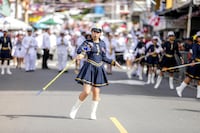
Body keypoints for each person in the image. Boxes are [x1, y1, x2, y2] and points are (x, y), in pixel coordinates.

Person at [69, 24, 121, 120]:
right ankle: (74, 109)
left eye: (98, 32)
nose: (95, 34)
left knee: (96, 92)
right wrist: (82, 53)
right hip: (89, 67)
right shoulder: (87, 42)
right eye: (94, 31)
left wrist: (113, 62)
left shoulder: (103, 44)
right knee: (86, 92)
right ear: (91, 32)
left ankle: (93, 113)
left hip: (99, 68)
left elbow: (104, 57)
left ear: (100, 33)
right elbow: (80, 50)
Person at [176, 32, 200, 98]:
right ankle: (180, 88)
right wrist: (193, 60)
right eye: (199, 37)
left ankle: (199, 94)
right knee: (189, 77)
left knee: (199, 79)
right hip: (195, 63)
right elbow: (194, 54)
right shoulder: (195, 45)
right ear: (197, 38)